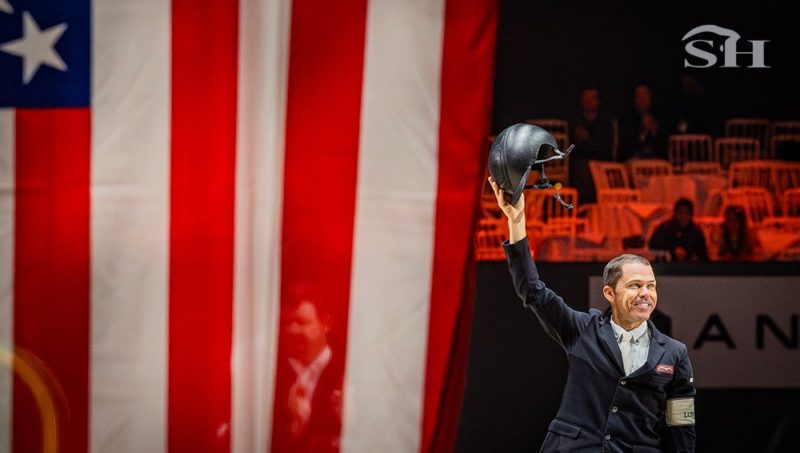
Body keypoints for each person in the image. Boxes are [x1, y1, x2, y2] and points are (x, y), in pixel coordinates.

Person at [489, 177, 696, 452]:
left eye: (651, 286)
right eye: (635, 286)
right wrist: (516, 221)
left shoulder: (674, 353)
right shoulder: (581, 329)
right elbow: (533, 291)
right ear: (609, 293)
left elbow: (681, 425)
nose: (645, 293)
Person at [271, 294, 342, 453]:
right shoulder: (272, 376)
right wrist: (291, 430)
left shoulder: (345, 375)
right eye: (288, 323)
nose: (292, 330)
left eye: (301, 322)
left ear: (326, 323)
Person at [570, 88, 616, 203]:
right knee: (582, 170)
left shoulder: (605, 121)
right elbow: (572, 148)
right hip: (582, 161)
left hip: (601, 160)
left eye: (592, 98)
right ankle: (585, 208)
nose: (589, 101)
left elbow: (606, 146)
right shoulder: (576, 121)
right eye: (586, 99)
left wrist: (588, 140)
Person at [620, 84, 667, 161]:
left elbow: (663, 145)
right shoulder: (627, 119)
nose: (643, 99)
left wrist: (653, 131)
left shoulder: (659, 116)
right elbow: (626, 147)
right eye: (639, 96)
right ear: (634, 99)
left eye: (645, 96)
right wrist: (643, 132)